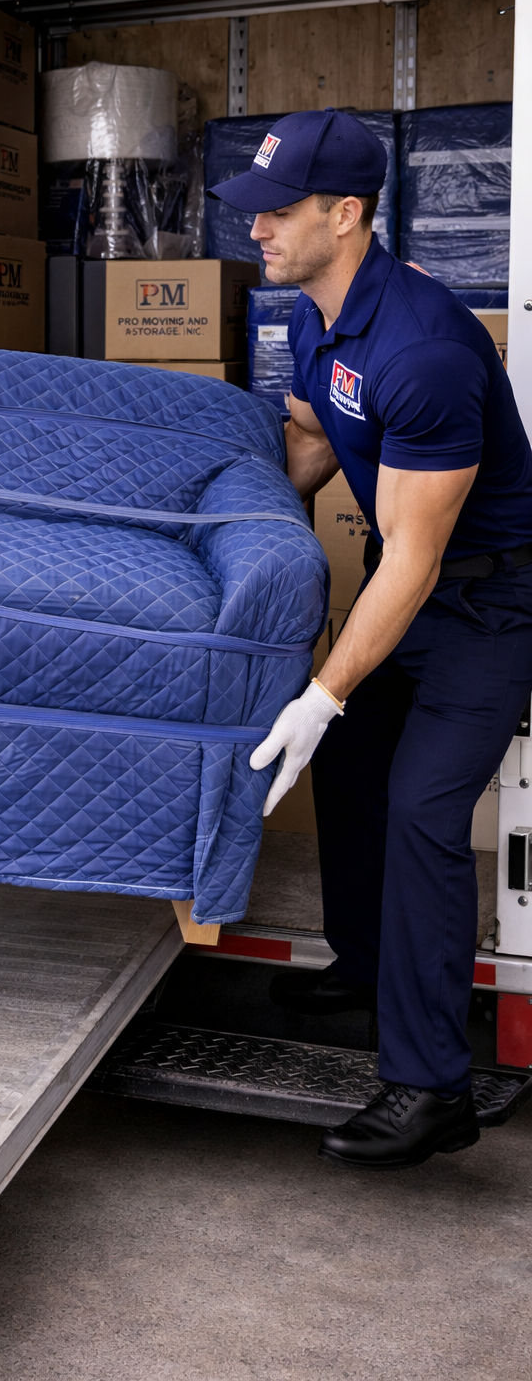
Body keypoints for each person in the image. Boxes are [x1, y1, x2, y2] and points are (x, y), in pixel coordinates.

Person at [210, 109, 532, 1168]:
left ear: (345, 215)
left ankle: (429, 1086)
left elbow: (410, 554)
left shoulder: (426, 347)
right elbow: (309, 437)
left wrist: (322, 687)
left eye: (275, 212)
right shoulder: (314, 314)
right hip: (420, 590)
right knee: (347, 767)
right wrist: (228, 523)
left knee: (422, 814)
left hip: (490, 602)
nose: (255, 229)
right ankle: (365, 965)